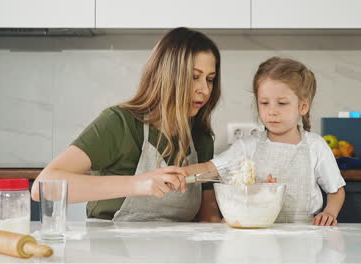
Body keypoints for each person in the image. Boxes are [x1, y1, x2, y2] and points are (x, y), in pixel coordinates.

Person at [31, 27, 221, 222]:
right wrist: (139, 184)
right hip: (109, 250)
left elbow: (208, 218)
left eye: (210, 79)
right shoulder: (119, 123)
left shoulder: (201, 138)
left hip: (180, 250)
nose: (205, 90)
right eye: (194, 77)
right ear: (168, 75)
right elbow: (43, 187)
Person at [188, 57, 346, 226]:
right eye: (264, 103)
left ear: (303, 106)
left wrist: (329, 212)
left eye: (282, 103)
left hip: (304, 236)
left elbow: (336, 190)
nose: (272, 111)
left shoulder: (316, 146)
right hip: (257, 235)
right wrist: (179, 174)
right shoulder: (246, 146)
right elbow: (209, 170)